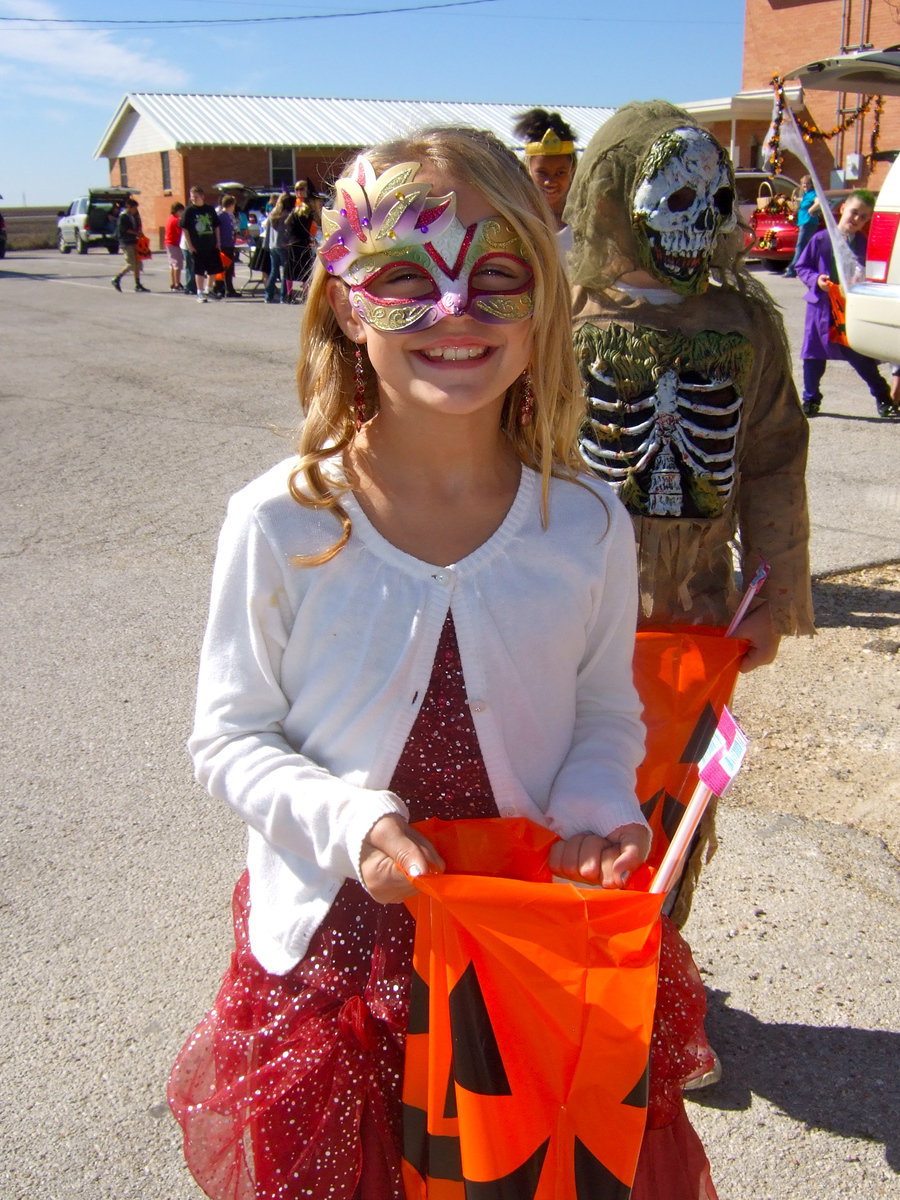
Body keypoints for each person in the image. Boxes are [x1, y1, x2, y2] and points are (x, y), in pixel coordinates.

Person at [167, 126, 686, 1200]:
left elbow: (604, 713)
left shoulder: (585, 525)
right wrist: (351, 823)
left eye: (497, 276)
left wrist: (596, 806)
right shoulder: (282, 521)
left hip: (524, 958)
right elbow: (227, 736)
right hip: (342, 961)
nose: (455, 314)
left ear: (545, 302)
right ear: (348, 303)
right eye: (406, 277)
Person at [564, 101, 814, 934]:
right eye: (675, 201)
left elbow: (774, 455)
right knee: (559, 788)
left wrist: (776, 596)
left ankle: (657, 960)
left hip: (697, 614)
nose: (698, 228)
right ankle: (561, 959)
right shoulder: (561, 317)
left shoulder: (743, 325)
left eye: (715, 204)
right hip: (564, 613)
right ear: (614, 201)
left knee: (676, 797)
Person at [794, 189, 900, 419]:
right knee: (813, 356)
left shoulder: (863, 244)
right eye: (854, 213)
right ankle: (810, 398)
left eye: (863, 217)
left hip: (848, 309)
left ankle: (882, 396)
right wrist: (816, 280)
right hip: (820, 307)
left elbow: (874, 274)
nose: (856, 220)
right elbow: (802, 267)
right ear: (842, 209)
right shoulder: (821, 239)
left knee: (859, 356)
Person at [513, 107, 578, 250]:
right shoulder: (516, 220)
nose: (550, 181)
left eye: (560, 173)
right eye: (542, 173)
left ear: (572, 170)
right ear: (528, 169)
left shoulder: (584, 223)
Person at [180, 185, 222, 303]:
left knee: (213, 269)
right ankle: (200, 292)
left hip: (211, 244)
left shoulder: (209, 209)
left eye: (196, 197)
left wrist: (218, 241)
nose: (193, 199)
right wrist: (190, 245)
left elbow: (216, 226)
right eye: (192, 197)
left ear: (202, 196)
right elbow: (185, 229)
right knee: (199, 270)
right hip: (197, 245)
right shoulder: (189, 211)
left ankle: (209, 289)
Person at [282, 181, 317, 303]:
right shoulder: (291, 204)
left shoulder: (308, 206)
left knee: (305, 269)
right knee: (290, 270)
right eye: (297, 189)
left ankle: (305, 294)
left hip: (303, 241)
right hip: (293, 241)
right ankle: (289, 295)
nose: (299, 192)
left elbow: (311, 224)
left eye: (301, 189)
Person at [110, 197, 149, 293]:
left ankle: (137, 284)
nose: (136, 210)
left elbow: (138, 224)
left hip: (134, 241)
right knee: (131, 263)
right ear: (129, 207)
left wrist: (140, 232)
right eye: (134, 208)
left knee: (137, 263)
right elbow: (125, 229)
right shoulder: (123, 216)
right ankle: (116, 278)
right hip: (126, 242)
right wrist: (136, 233)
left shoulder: (134, 215)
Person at [783, 174, 819, 277]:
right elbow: (803, 201)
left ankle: (792, 269)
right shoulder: (806, 194)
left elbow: (818, 202)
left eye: (807, 184)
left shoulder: (812, 193)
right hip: (803, 222)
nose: (805, 186)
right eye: (803, 184)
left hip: (809, 222)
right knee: (807, 246)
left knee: (800, 246)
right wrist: (797, 199)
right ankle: (809, 267)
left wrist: (811, 209)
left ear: (811, 184)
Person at [263, 191, 293, 303]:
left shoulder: (273, 213)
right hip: (283, 245)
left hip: (273, 245)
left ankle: (268, 295)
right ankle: (283, 296)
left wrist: (266, 245)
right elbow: (288, 232)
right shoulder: (287, 215)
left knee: (274, 271)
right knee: (285, 272)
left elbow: (268, 231)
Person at [213, 193, 240, 298]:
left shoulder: (230, 216)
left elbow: (233, 229)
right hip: (223, 244)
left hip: (230, 244)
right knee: (223, 268)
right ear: (231, 205)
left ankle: (229, 289)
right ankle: (218, 288)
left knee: (229, 268)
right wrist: (218, 242)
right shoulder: (221, 216)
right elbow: (217, 230)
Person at [164, 201, 185, 292]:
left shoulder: (170, 218)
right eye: (181, 211)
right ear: (177, 211)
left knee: (172, 264)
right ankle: (177, 283)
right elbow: (180, 232)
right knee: (177, 264)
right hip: (175, 244)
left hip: (168, 243)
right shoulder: (176, 220)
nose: (182, 213)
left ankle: (173, 282)